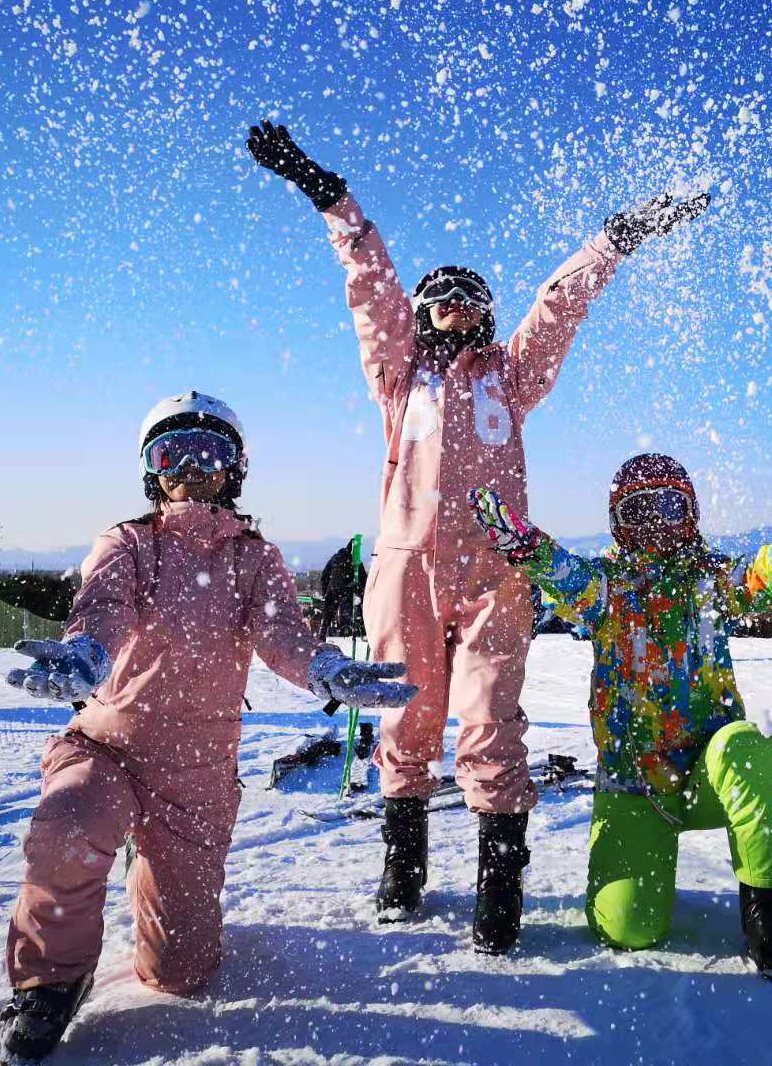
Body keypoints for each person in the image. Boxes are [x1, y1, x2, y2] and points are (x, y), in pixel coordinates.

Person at [247, 119, 710, 953]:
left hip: (501, 574)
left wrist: (615, 240)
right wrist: (328, 194)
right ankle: (405, 863)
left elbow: (560, 306)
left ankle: (500, 886)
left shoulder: (512, 374)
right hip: (407, 571)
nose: (454, 307)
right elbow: (368, 285)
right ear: (422, 313)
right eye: (439, 297)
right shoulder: (399, 377)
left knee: (493, 725)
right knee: (404, 718)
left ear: (487, 313)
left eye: (469, 297)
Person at [0, 392, 416, 1063]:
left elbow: (281, 636)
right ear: (151, 472)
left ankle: (155, 874)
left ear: (234, 470)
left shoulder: (255, 558)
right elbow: (103, 606)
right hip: (107, 742)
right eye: (171, 455)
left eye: (209, 455)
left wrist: (324, 669)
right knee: (68, 828)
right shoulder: (128, 543)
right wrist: (86, 653)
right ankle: (51, 980)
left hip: (194, 769)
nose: (190, 470)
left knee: (179, 973)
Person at [470, 455, 772, 978]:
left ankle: (766, 907)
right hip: (635, 780)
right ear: (619, 521)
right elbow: (564, 575)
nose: (657, 521)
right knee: (628, 929)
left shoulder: (712, 582)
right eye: (641, 510)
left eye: (670, 507)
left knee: (747, 749)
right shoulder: (607, 589)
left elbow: (769, 567)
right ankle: (635, 876)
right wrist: (528, 547)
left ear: (691, 514)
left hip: (711, 774)